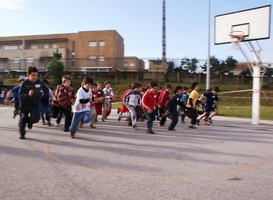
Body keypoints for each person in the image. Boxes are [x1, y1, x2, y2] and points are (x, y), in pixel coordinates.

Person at [18, 66, 48, 139]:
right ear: (28, 75)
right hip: (24, 105)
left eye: (36, 75)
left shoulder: (40, 82)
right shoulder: (24, 84)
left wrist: (42, 96)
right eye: (33, 75)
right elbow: (20, 95)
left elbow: (45, 90)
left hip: (34, 104)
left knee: (36, 118)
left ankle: (30, 122)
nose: (35, 77)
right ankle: (22, 134)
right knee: (22, 120)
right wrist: (27, 95)